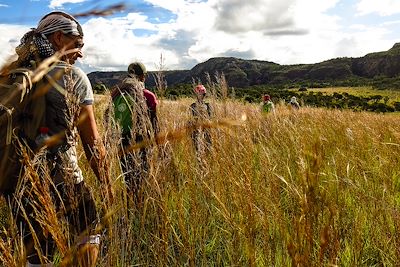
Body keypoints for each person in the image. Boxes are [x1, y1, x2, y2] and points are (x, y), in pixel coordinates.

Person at [7, 11, 112, 267]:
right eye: (77, 45)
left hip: (19, 181)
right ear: (58, 38)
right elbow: (93, 142)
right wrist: (107, 182)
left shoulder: (12, 75)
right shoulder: (73, 78)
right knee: (89, 233)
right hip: (64, 179)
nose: (80, 53)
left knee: (35, 253)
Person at [112, 62, 156, 197]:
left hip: (122, 141)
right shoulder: (148, 95)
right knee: (143, 177)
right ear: (143, 76)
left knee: (128, 179)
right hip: (141, 141)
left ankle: (130, 207)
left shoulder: (116, 93)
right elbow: (155, 123)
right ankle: (141, 208)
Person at [189, 84, 212, 161]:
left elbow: (210, 118)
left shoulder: (208, 105)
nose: (200, 96)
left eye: (202, 94)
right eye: (199, 94)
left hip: (206, 129)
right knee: (196, 148)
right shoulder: (192, 106)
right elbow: (191, 118)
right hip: (196, 129)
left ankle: (208, 159)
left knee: (208, 145)